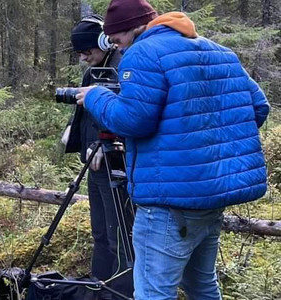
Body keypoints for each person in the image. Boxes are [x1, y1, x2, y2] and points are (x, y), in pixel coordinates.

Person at [75, 0, 270, 299]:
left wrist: (96, 97)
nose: (120, 49)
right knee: (202, 286)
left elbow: (132, 121)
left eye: (118, 40)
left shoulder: (144, 53)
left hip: (169, 203)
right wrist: (204, 144)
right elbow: (258, 107)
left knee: (153, 292)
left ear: (136, 29)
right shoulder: (218, 51)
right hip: (211, 196)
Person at [60, 15, 133, 299]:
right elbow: (86, 110)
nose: (83, 58)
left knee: (119, 234)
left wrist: (110, 146)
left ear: (105, 42)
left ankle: (121, 291)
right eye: (79, 53)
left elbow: (130, 116)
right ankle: (98, 285)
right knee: (100, 231)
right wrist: (74, 132)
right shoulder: (94, 70)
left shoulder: (123, 68)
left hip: (116, 165)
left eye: (87, 51)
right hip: (94, 163)